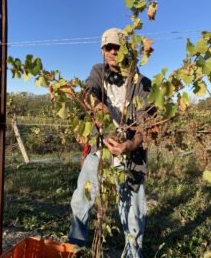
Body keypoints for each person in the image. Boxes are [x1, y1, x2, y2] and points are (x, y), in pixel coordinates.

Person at [68, 28, 153, 258]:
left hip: (130, 156)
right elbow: (88, 91)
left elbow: (146, 125)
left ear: (126, 49)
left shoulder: (143, 83)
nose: (113, 51)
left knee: (133, 214)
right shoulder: (98, 71)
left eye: (117, 46)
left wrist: (131, 145)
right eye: (108, 47)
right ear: (102, 50)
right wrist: (96, 105)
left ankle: (133, 254)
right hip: (99, 151)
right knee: (82, 199)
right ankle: (75, 247)